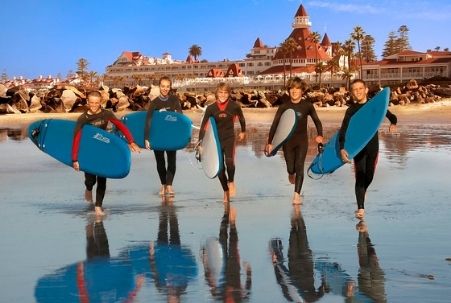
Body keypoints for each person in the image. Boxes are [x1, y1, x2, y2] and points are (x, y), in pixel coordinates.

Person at [72, 91, 140, 216]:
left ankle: (98, 206)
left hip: (103, 151)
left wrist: (131, 141)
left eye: (96, 103)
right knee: (90, 180)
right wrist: (75, 159)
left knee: (102, 179)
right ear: (87, 102)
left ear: (100, 103)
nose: (93, 105)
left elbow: (121, 126)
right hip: (89, 152)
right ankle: (88, 188)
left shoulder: (106, 114)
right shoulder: (82, 118)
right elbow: (76, 138)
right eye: (91, 102)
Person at [339, 79, 397, 219]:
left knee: (369, 176)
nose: (358, 91)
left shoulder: (375, 105)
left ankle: (363, 191)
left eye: (360, 88)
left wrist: (393, 124)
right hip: (358, 147)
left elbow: (391, 116)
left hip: (372, 146)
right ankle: (360, 208)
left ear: (366, 90)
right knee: (360, 175)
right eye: (355, 89)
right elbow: (343, 131)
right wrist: (342, 148)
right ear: (351, 93)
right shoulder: (351, 110)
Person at [265, 77, 323, 205]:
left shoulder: (307, 105)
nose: (294, 91)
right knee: (291, 167)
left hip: (302, 141)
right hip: (288, 142)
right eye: (292, 88)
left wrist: (320, 135)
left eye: (297, 89)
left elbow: (317, 121)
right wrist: (270, 143)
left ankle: (296, 196)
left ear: (302, 90)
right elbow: (275, 125)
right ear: (288, 90)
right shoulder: (284, 106)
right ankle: (290, 173)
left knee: (299, 166)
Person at [198, 82, 246, 203]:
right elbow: (204, 126)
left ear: (229, 94)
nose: (223, 95)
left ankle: (231, 181)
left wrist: (243, 131)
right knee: (219, 168)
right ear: (216, 93)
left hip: (229, 138)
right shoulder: (211, 108)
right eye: (220, 92)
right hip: (215, 141)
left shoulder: (234, 106)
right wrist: (200, 144)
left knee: (229, 162)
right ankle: (225, 191)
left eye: (225, 92)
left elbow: (241, 118)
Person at [144, 76, 182, 197]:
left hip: (171, 135)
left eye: (167, 86)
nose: (165, 89)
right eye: (163, 86)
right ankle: (163, 184)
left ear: (170, 87)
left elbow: (180, 117)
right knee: (160, 162)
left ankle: (169, 185)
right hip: (158, 135)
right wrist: (147, 138)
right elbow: (148, 121)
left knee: (172, 160)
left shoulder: (174, 100)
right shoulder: (154, 103)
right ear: (159, 87)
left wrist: (170, 114)